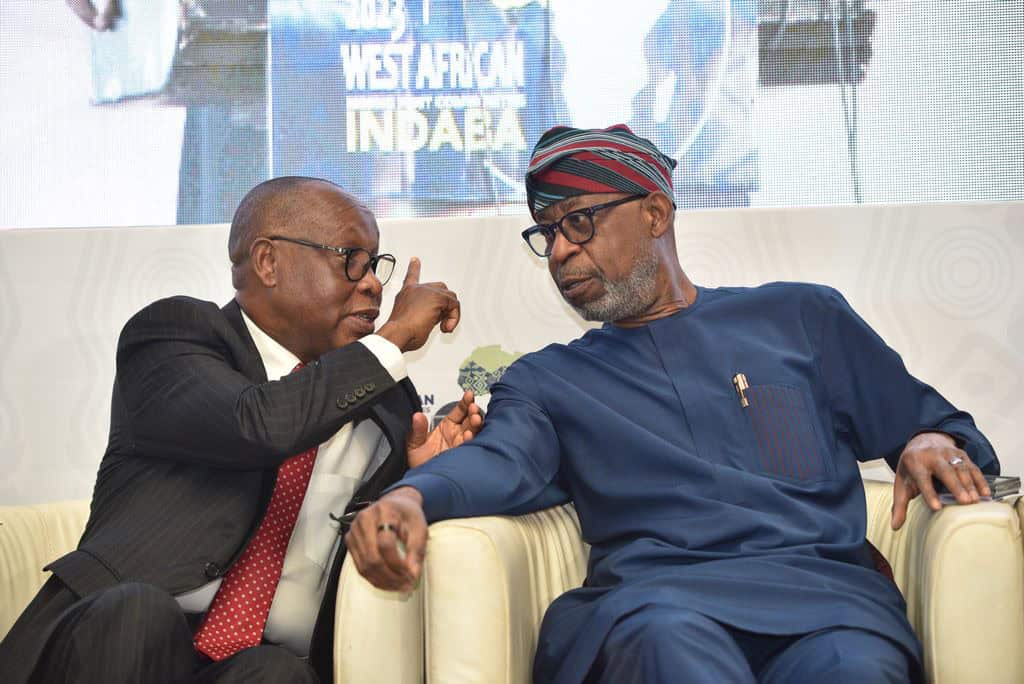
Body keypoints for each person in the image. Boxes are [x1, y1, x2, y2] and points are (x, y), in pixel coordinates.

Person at [345, 125, 999, 684]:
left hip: (826, 605)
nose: (562, 250)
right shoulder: (549, 379)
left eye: (579, 222)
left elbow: (937, 426)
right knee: (671, 650)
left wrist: (926, 440)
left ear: (655, 214)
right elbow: (499, 460)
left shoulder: (801, 318)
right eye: (547, 233)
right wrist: (411, 497)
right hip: (661, 607)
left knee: (855, 668)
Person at [0, 176, 482, 683]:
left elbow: (383, 538)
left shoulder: (387, 404)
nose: (373, 285)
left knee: (278, 674)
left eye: (375, 264)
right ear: (268, 261)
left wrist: (418, 478)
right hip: (110, 648)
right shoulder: (173, 338)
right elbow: (259, 425)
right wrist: (392, 338)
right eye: (351, 260)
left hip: (249, 667)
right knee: (142, 614)